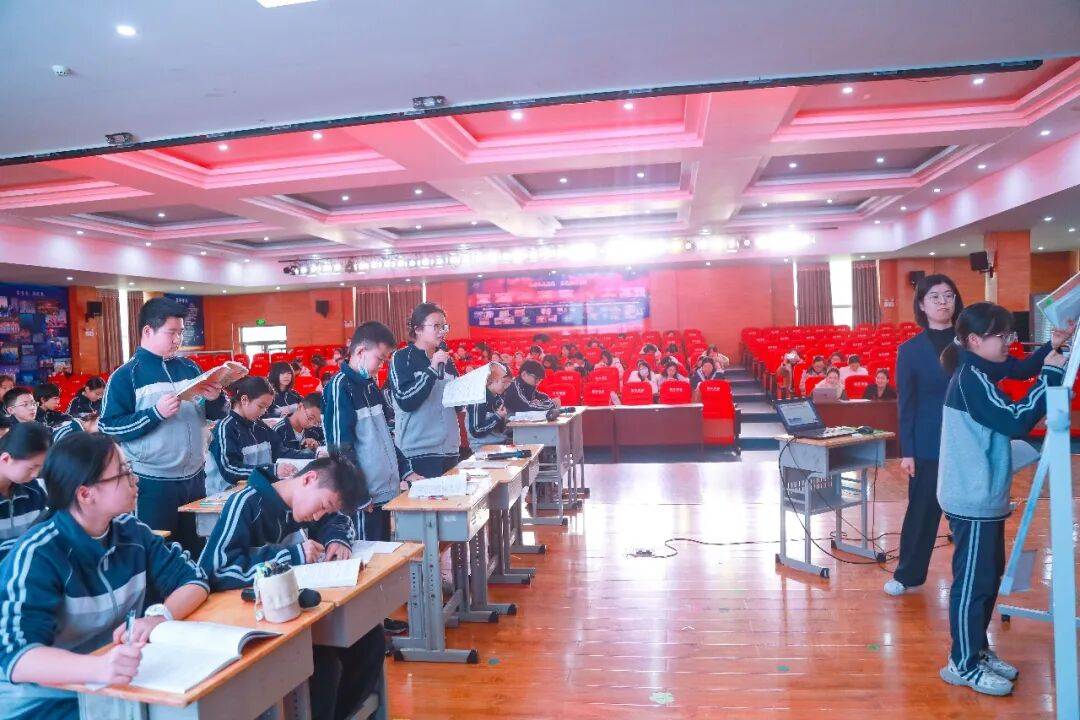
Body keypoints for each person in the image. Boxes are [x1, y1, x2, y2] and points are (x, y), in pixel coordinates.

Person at [0, 433, 209, 719]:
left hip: (118, 686)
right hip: (44, 702)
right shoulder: (39, 555)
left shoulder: (132, 533)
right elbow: (19, 658)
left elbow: (193, 580)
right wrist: (100, 668)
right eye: (123, 473)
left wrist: (159, 616)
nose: (135, 480)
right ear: (86, 494)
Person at [885, 275, 1064, 597]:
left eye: (949, 295)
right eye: (935, 296)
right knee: (921, 512)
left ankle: (977, 575)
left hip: (971, 441)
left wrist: (1051, 346)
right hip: (928, 443)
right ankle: (908, 574)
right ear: (922, 304)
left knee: (973, 508)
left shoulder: (973, 343)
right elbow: (906, 404)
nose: (943, 302)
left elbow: (1021, 370)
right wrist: (907, 451)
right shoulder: (909, 350)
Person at [935, 302, 1066, 696]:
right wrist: (1050, 378)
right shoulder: (970, 378)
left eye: (1010, 334)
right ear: (975, 340)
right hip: (970, 497)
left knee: (987, 579)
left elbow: (1019, 370)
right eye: (1002, 335)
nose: (1009, 341)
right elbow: (1014, 419)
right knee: (972, 585)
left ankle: (977, 650)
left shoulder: (980, 367)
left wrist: (1051, 348)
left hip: (984, 495)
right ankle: (961, 663)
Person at [198, 455, 380, 720]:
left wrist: (337, 539)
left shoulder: (304, 504)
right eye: (322, 506)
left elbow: (337, 520)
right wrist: (290, 556)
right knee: (323, 666)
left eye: (325, 510)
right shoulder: (247, 503)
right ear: (308, 479)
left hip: (296, 615)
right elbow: (215, 569)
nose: (318, 515)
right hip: (252, 622)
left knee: (369, 638)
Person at [99, 297, 227, 551]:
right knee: (156, 551)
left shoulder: (190, 368)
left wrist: (216, 399)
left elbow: (215, 415)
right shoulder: (126, 376)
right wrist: (155, 413)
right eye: (172, 332)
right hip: (151, 482)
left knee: (195, 549)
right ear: (148, 331)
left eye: (181, 332)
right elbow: (109, 428)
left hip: (194, 478)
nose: (178, 339)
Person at [324, 321, 419, 636]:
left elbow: (387, 438)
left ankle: (379, 619)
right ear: (361, 351)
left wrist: (406, 469)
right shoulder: (340, 386)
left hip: (384, 491)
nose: (382, 365)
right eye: (380, 358)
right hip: (363, 498)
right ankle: (367, 630)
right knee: (364, 562)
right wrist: (358, 493)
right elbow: (340, 449)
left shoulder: (370, 386)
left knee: (380, 558)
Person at [205, 376, 315, 494]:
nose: (263, 412)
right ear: (244, 400)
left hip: (254, 492)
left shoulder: (260, 427)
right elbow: (230, 469)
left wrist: (314, 455)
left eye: (266, 408)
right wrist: (271, 470)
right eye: (261, 406)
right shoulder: (225, 428)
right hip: (224, 497)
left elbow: (281, 452)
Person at [388, 303, 462, 479]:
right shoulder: (402, 358)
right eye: (436, 326)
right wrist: (432, 370)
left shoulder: (446, 361)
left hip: (450, 450)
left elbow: (457, 406)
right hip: (419, 452)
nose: (442, 331)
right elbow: (405, 400)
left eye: (444, 326)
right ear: (418, 329)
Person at [0, 422, 51, 558]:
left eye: (40, 468)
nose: (36, 474)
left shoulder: (36, 491)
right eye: (32, 467)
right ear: (6, 459)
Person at [465, 362, 512, 450]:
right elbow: (476, 430)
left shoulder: (499, 399)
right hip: (482, 447)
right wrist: (497, 417)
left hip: (499, 443)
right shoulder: (478, 399)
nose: (506, 386)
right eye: (504, 382)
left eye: (509, 383)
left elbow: (500, 429)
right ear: (491, 380)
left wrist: (506, 420)